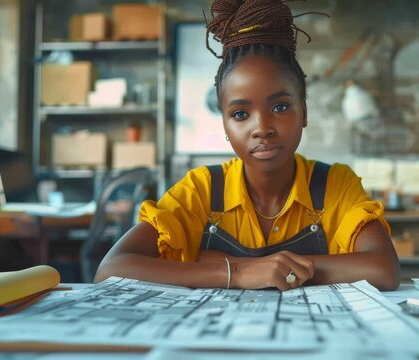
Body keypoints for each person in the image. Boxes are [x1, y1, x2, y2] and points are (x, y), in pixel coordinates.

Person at [96, 0, 400, 291]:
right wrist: (239, 273)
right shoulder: (201, 190)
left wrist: (260, 267)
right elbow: (111, 268)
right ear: (225, 125)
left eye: (280, 107)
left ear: (304, 113)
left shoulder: (335, 184)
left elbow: (383, 270)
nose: (262, 129)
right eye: (240, 114)